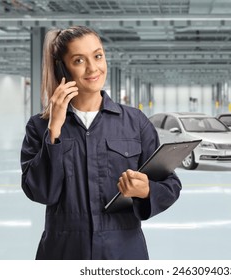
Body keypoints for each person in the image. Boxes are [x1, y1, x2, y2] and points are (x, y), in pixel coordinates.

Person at [20, 26, 182, 260]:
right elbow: (40, 192)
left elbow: (170, 184)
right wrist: (54, 129)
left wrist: (146, 190)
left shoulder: (135, 121)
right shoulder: (39, 127)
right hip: (64, 252)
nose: (93, 68)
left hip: (123, 252)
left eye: (98, 56)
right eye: (79, 60)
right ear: (62, 67)